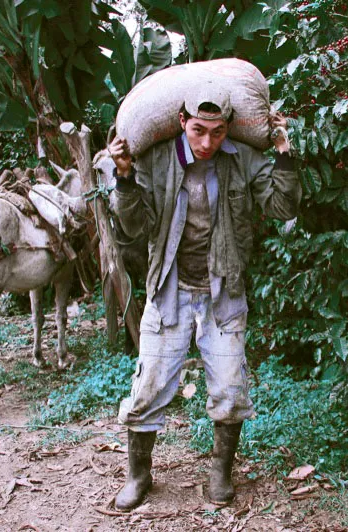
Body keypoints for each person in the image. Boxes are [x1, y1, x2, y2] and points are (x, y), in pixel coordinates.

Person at [107, 81, 301, 510]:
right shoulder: (155, 160)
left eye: (216, 132)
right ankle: (139, 476)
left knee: (231, 390)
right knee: (148, 388)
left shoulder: (244, 160)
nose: (207, 141)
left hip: (222, 291)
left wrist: (284, 153)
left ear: (228, 128)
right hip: (169, 289)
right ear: (181, 123)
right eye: (198, 130)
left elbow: (283, 208)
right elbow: (133, 228)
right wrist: (123, 178)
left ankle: (220, 473)